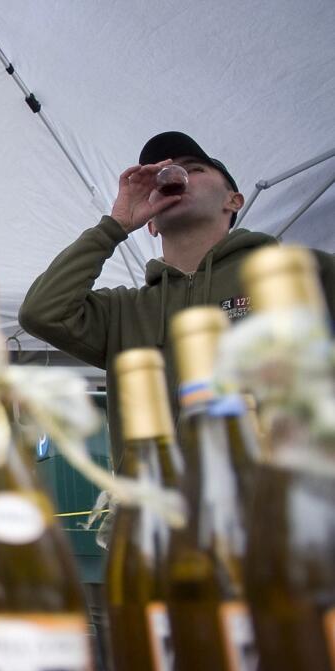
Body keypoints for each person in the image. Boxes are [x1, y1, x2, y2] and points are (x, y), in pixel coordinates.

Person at [18, 130, 335, 464]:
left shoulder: (301, 273)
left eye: (194, 168)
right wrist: (114, 226)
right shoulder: (124, 310)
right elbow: (41, 312)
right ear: (151, 225)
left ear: (233, 200)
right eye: (158, 176)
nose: (173, 176)